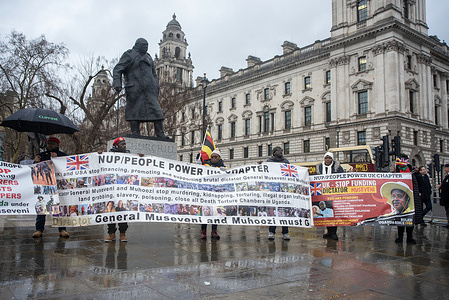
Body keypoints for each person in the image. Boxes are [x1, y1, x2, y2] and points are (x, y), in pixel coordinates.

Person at [113, 38, 169, 139]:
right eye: (144, 46)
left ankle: (160, 133)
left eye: (147, 46)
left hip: (150, 90)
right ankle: (135, 132)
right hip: (135, 89)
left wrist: (156, 85)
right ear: (138, 45)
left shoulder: (148, 56)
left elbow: (153, 73)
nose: (146, 48)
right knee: (134, 111)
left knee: (157, 112)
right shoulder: (129, 55)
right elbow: (118, 69)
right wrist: (117, 83)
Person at [33, 137, 69, 238]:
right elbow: (33, 170)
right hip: (44, 186)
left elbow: (68, 168)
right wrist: (35, 162)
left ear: (57, 145)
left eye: (52, 144)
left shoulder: (63, 155)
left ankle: (62, 229)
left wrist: (57, 159)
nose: (50, 146)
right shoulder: (41, 155)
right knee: (42, 207)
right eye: (49, 144)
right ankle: (39, 229)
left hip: (58, 186)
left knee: (60, 208)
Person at [104, 137, 131, 242]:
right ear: (116, 146)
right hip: (111, 189)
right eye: (122, 144)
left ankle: (123, 233)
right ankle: (111, 233)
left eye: (125, 144)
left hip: (123, 189)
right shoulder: (108, 156)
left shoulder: (129, 156)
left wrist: (140, 157)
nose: (124, 146)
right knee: (110, 210)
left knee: (122, 210)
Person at [394, 154, 423, 243]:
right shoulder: (397, 171)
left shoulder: (413, 171)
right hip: (400, 197)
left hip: (412, 198)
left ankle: (409, 237)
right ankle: (400, 237)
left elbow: (420, 182)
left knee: (410, 218)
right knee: (401, 218)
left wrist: (418, 173)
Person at [315, 152, 344, 240]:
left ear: (332, 159)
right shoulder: (319, 167)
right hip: (323, 194)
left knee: (334, 213)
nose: (327, 160)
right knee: (326, 214)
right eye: (326, 158)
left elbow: (342, 177)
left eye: (329, 158)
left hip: (334, 194)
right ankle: (328, 231)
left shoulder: (337, 167)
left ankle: (334, 232)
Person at [201, 149, 227, 239]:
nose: (213, 158)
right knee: (205, 212)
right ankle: (203, 231)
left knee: (215, 213)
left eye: (216, 157)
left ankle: (214, 230)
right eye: (212, 157)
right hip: (206, 193)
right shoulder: (205, 165)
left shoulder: (223, 167)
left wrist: (225, 171)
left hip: (216, 195)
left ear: (219, 158)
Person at [266, 147, 291, 241]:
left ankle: (285, 232)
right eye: (278, 150)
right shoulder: (269, 162)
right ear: (274, 152)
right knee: (273, 212)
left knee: (284, 212)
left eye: (282, 150)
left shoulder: (285, 161)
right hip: (273, 191)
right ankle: (271, 231)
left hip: (283, 191)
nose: (281, 152)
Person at [438, 163, 449, 228]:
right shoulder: (446, 176)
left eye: (446, 168)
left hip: (447, 197)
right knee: (447, 211)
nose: (445, 169)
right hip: (446, 198)